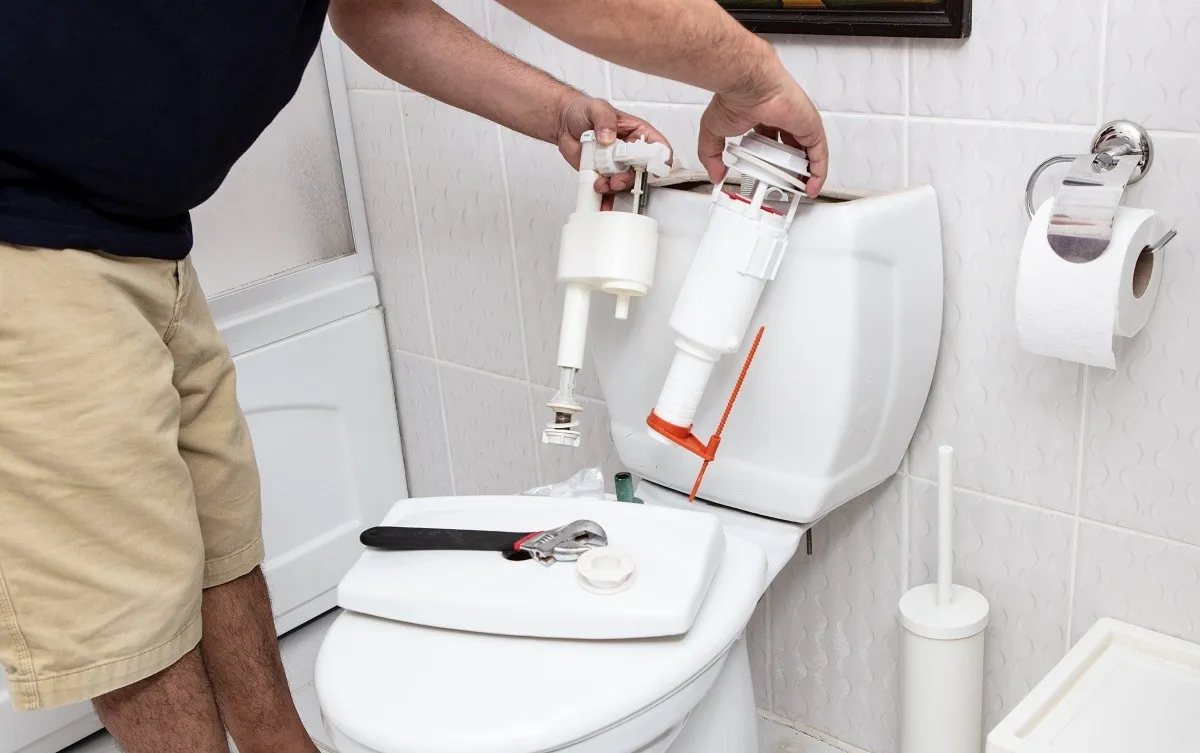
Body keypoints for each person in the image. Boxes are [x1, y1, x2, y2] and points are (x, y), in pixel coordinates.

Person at [0, 1, 827, 751]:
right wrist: (754, 77)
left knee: (221, 539)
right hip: (26, 229)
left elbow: (375, 8)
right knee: (130, 617)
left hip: (140, 235)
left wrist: (556, 113)